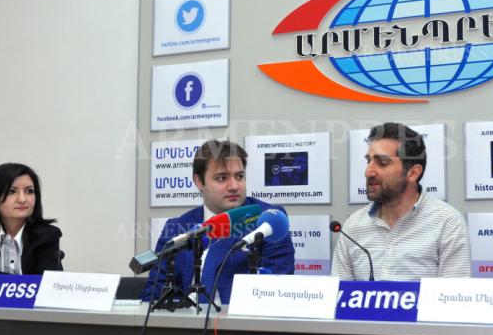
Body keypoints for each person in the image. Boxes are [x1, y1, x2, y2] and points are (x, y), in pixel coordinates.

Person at [141, 140, 295, 304]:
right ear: (199, 182)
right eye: (222, 178)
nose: (234, 186)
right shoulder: (177, 227)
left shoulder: (267, 220)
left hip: (239, 318)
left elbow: (277, 293)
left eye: (239, 176)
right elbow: (152, 296)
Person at [331, 122, 470, 280]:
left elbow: (452, 294)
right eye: (368, 161)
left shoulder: (447, 223)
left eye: (382, 162)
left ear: (413, 173)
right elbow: (339, 292)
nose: (368, 172)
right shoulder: (353, 226)